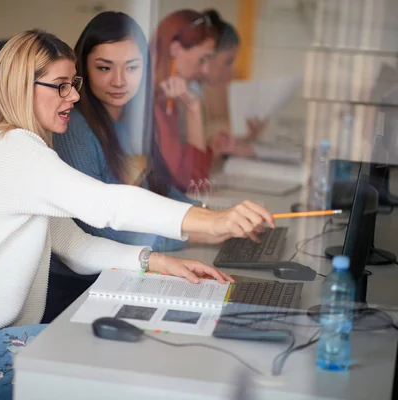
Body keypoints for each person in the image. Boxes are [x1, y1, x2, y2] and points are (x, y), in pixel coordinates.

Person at [0, 29, 273, 400]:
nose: (75, 96)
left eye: (74, 84)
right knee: (114, 361)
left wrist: (153, 260)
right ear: (22, 86)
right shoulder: (11, 149)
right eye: (61, 86)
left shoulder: (14, 148)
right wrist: (212, 220)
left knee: (116, 349)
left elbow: (73, 244)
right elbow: (107, 205)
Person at [45, 11, 200, 321]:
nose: (119, 81)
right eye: (104, 68)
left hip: (118, 274)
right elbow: (96, 227)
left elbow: (156, 188)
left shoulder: (131, 118)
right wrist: (191, 232)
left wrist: (208, 216)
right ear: (83, 69)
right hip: (77, 287)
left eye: (132, 67)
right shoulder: (74, 128)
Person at [150, 9, 234, 193]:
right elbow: (194, 183)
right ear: (175, 50)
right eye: (202, 59)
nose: (205, 70)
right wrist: (193, 111)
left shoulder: (170, 100)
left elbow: (196, 178)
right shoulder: (156, 104)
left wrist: (211, 152)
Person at [201, 15, 268, 157]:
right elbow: (199, 141)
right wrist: (236, 129)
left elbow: (218, 138)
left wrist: (247, 133)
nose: (230, 71)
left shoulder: (219, 85)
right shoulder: (186, 92)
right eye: (227, 61)